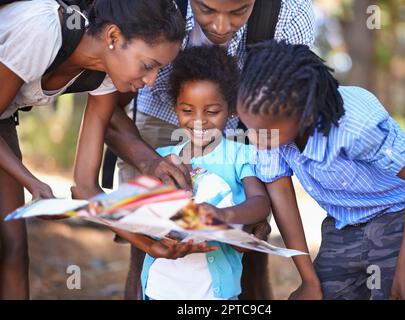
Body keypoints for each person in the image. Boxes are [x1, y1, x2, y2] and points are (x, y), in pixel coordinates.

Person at [106, 0, 315, 300]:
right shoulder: (168, 153)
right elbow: (105, 108)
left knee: (251, 257)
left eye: (238, 12)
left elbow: (259, 201)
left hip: (249, 125)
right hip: (157, 116)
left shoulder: (291, 12)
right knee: (142, 259)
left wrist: (230, 216)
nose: (220, 27)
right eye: (207, 10)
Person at [0, 0, 191, 299]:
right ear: (113, 37)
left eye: (159, 70)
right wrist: (32, 182)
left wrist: (149, 243)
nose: (152, 80)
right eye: (148, 66)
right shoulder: (42, 28)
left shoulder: (103, 74)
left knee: (12, 248)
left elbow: (87, 188)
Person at [237, 40, 405, 300]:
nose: (255, 140)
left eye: (265, 134)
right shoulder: (268, 129)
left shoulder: (354, 126)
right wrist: (308, 280)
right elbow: (280, 194)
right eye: (249, 128)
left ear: (304, 116)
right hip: (346, 222)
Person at [140, 45, 271, 300]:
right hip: (162, 287)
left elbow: (260, 203)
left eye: (211, 111)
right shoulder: (163, 158)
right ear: (174, 108)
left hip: (215, 291)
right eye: (187, 110)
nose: (199, 121)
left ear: (232, 109)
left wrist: (223, 215)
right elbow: (143, 212)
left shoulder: (240, 155)